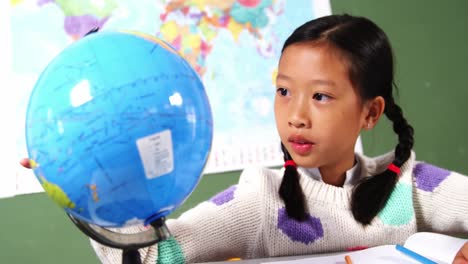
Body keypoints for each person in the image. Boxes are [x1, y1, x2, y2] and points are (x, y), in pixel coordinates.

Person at [21, 14, 468, 264]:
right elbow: (151, 259)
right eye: (284, 91)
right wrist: (80, 183)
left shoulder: (411, 187)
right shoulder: (259, 202)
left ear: (370, 112)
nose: (296, 115)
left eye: (321, 96)